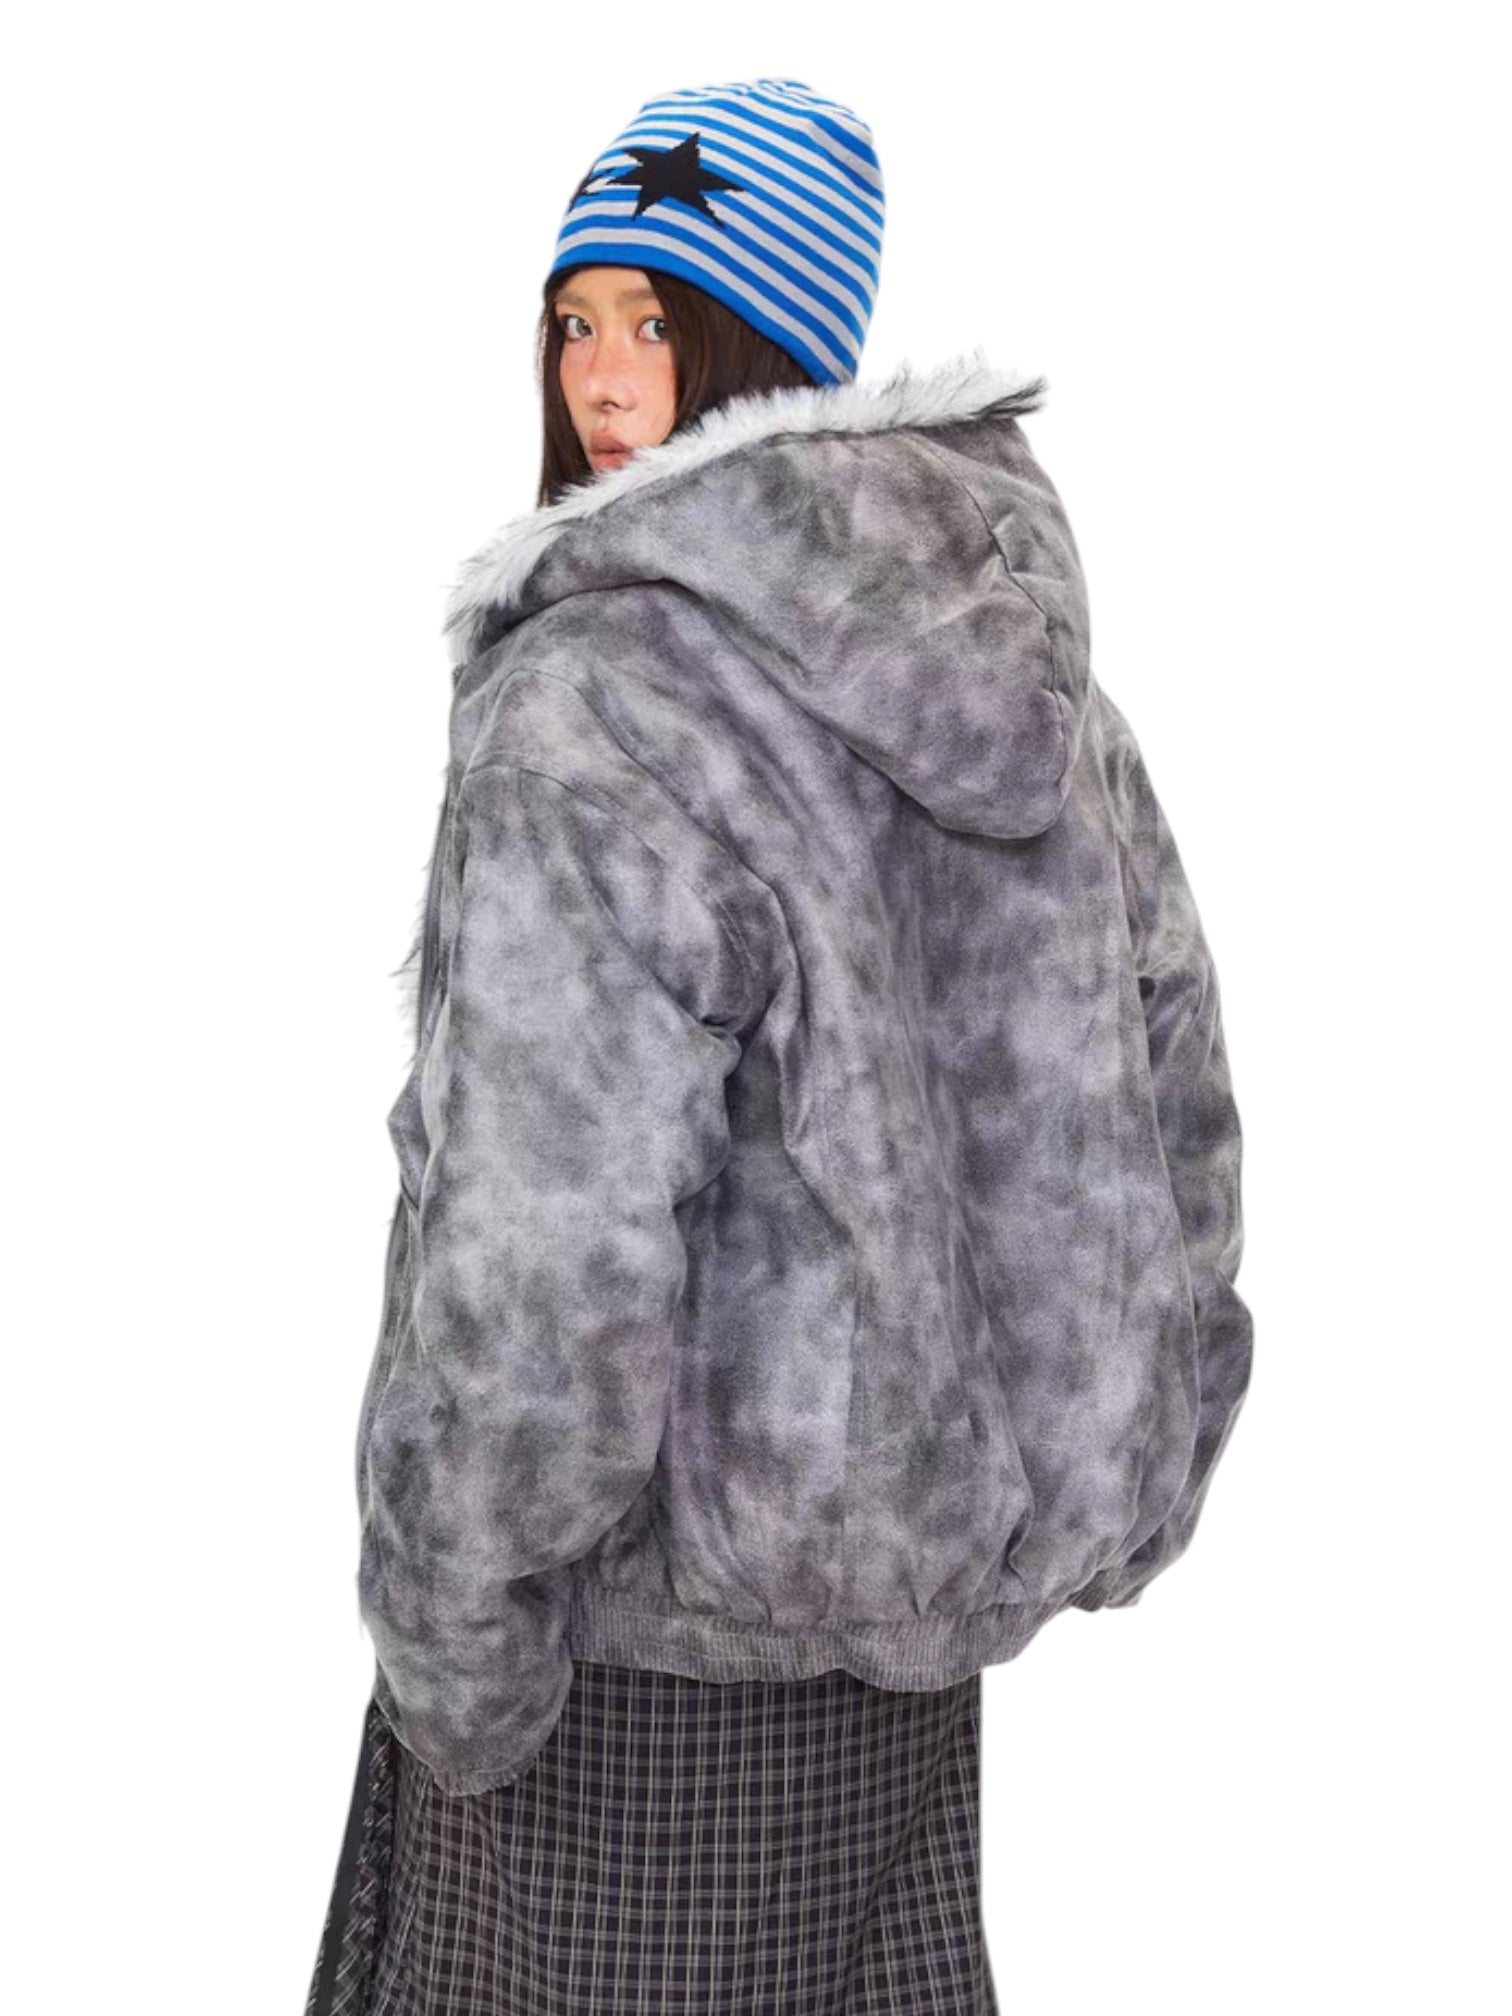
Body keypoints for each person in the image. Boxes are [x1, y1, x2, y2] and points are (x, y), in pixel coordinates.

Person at [305, 74, 1254, 2016]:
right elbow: (1171, 1117)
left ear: (769, 339)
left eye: (659, 320)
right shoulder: (1020, 674)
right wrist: (1118, 1459)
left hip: (621, 1673)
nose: (601, 375)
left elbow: (540, 1242)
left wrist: (456, 1629)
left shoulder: (601, 699)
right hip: (895, 1682)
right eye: (575, 319)